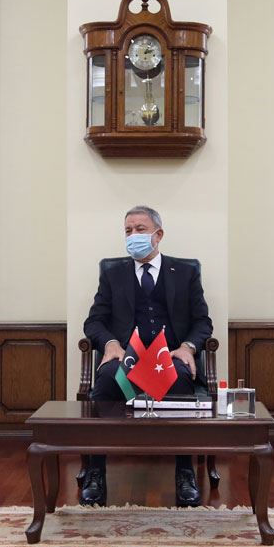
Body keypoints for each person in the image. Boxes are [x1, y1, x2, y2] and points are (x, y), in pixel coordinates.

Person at [81, 205, 213, 507]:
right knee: (105, 382)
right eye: (128, 231)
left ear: (158, 234)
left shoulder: (186, 273)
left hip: (169, 357)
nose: (133, 236)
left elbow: (202, 322)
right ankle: (95, 473)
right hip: (127, 359)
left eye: (140, 229)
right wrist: (110, 343)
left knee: (182, 379)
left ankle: (185, 473)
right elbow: (94, 321)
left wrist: (188, 347)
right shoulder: (113, 275)